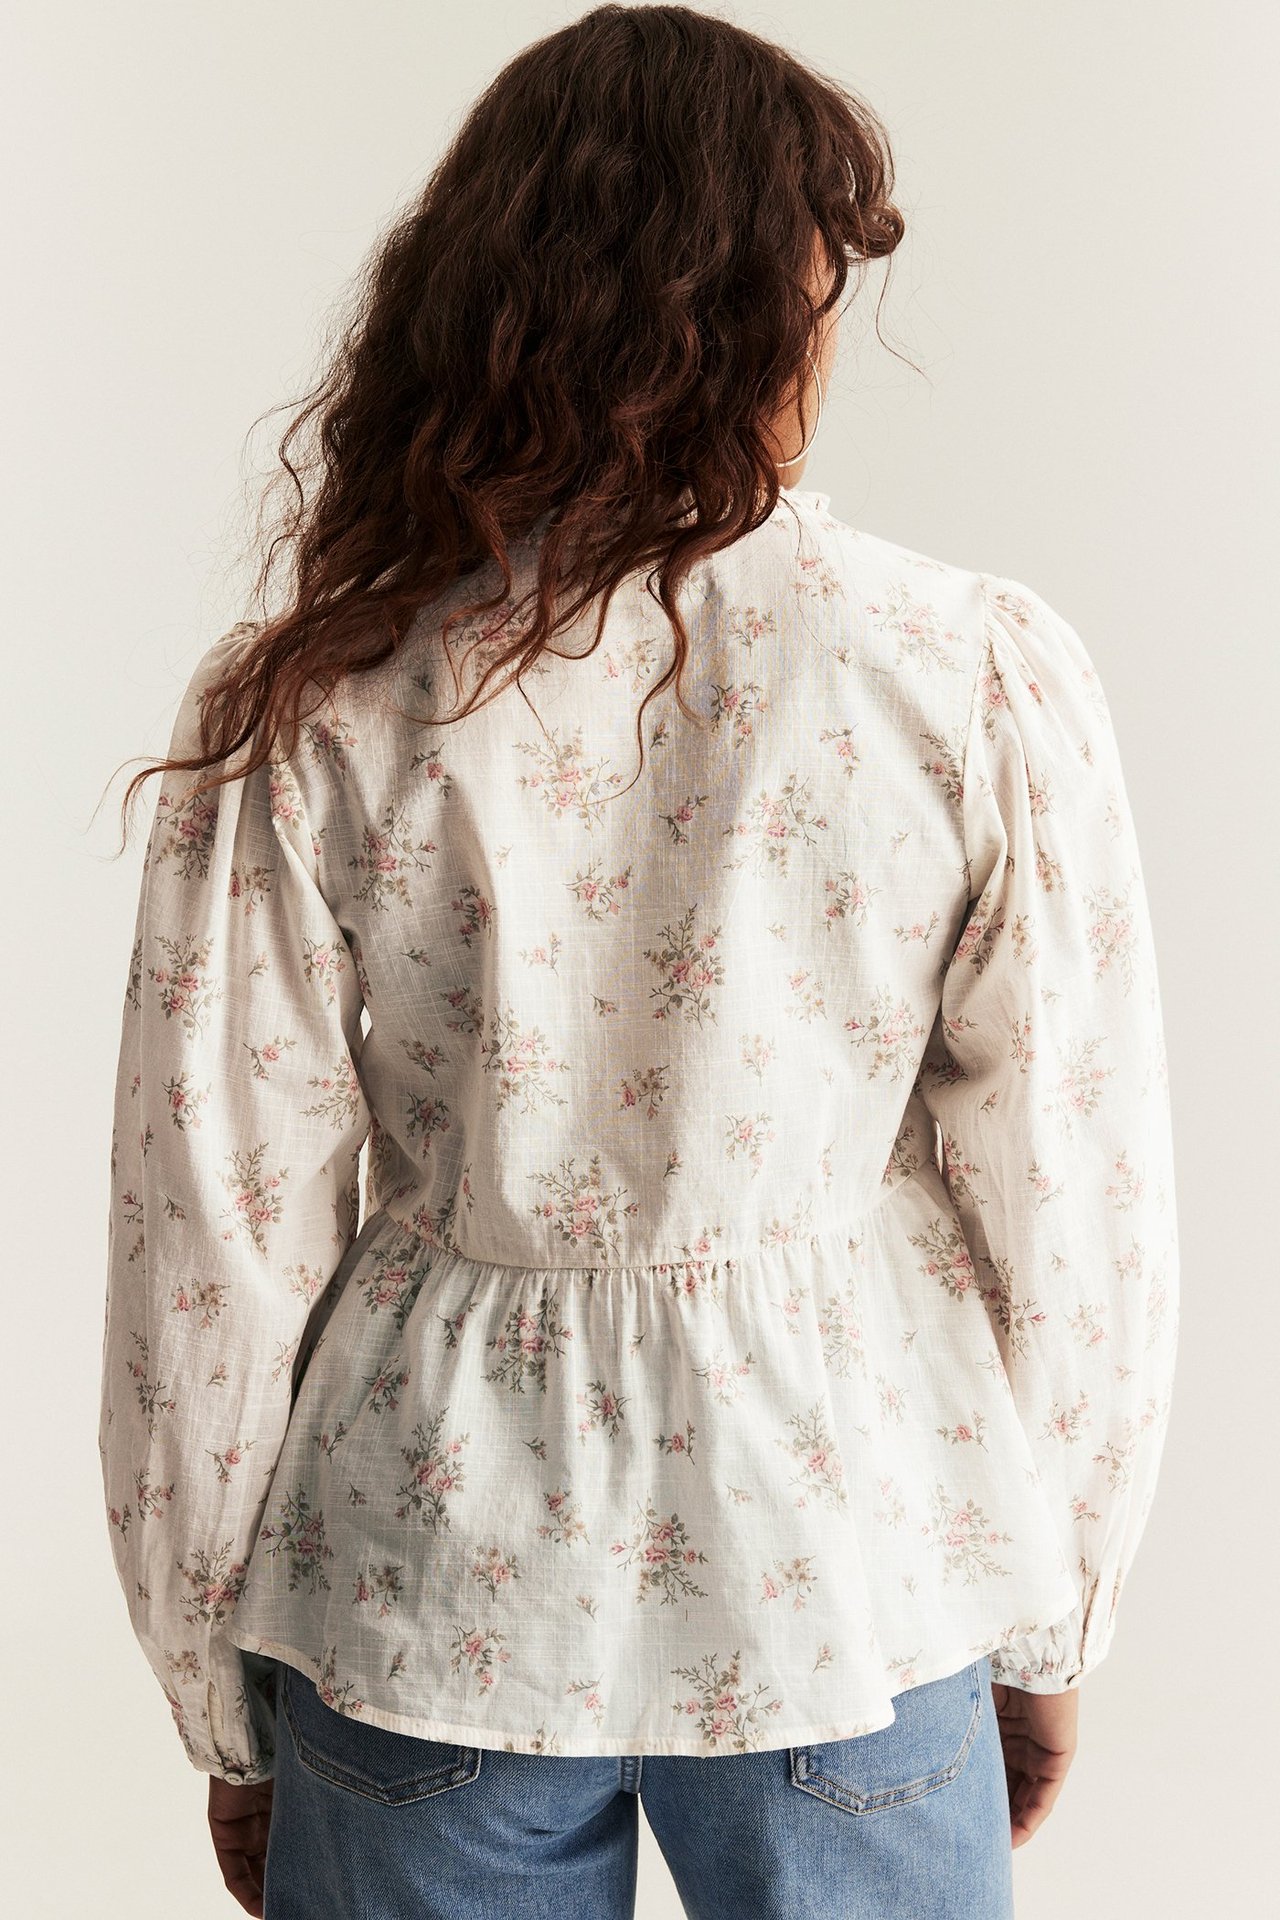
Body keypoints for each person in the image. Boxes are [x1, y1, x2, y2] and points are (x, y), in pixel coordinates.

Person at [97, 7, 1180, 1916]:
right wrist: (1055, 1604)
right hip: (849, 1560)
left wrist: (218, 1693)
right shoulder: (960, 670)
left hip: (424, 1570)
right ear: (767, 314)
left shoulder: (326, 695)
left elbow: (212, 1231)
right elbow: (1074, 1189)